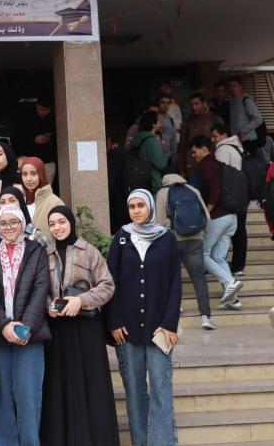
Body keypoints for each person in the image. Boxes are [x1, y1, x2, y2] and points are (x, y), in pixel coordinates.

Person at [105, 189, 181, 446]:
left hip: (159, 329)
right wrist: (113, 321)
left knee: (160, 388)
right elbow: (110, 282)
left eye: (141, 206)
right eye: (132, 206)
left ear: (150, 207)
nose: (136, 211)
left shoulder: (166, 238)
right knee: (135, 392)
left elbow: (175, 284)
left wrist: (170, 324)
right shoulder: (122, 238)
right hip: (127, 330)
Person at [43, 205, 119, 446]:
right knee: (60, 385)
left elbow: (107, 286)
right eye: (53, 223)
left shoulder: (89, 252)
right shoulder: (45, 254)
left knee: (91, 384)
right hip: (59, 330)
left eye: (61, 222)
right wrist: (49, 305)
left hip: (86, 329)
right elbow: (40, 289)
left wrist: (81, 300)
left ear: (70, 222)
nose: (57, 227)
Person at [0, 206, 50, 446]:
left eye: (13, 222)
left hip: (30, 335)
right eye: (3, 223)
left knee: (28, 395)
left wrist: (24, 327)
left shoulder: (36, 251)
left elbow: (41, 289)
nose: (8, 228)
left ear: (23, 224)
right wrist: (4, 326)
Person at [155, 173, 215, 328]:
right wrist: (201, 234)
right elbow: (207, 218)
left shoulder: (162, 193)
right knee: (199, 278)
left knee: (172, 277)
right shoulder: (193, 190)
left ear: (164, 182)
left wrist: (173, 225)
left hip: (173, 240)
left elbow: (160, 222)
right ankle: (205, 317)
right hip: (196, 240)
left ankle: (177, 309)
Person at [190, 136, 244, 306]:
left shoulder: (208, 165)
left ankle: (230, 283)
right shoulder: (219, 164)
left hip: (219, 217)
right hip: (231, 217)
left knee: (202, 254)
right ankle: (233, 300)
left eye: (194, 151)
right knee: (219, 258)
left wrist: (207, 211)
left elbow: (215, 188)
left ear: (204, 149)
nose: (193, 155)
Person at [211, 123, 248, 280]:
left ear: (224, 135)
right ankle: (238, 266)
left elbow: (220, 174)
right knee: (240, 230)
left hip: (229, 196)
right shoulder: (238, 147)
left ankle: (219, 264)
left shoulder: (223, 149)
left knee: (224, 232)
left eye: (215, 136)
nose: (213, 140)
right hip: (241, 195)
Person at [12, 95, 57, 183]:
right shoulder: (25, 117)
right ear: (36, 105)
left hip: (46, 160)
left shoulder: (53, 119)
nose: (44, 112)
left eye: (47, 110)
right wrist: (33, 140)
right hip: (27, 157)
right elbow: (15, 139)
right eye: (41, 109)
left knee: (44, 190)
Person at [178, 92, 223, 177]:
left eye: (196, 104)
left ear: (203, 103)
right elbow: (182, 147)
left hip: (212, 166)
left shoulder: (214, 119)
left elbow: (223, 142)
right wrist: (181, 170)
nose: (194, 107)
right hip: (192, 168)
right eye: (191, 105)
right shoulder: (187, 123)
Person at [20, 157, 65, 241]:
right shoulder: (18, 201)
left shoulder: (55, 203)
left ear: (41, 175)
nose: (29, 179)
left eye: (33, 174)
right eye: (25, 174)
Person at [129, 111, 168, 193]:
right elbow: (161, 164)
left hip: (136, 182)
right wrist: (165, 152)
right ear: (154, 125)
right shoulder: (152, 141)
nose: (160, 123)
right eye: (158, 121)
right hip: (151, 184)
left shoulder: (135, 139)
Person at [228, 76, 264, 152]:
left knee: (250, 162)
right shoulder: (232, 104)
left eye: (234, 86)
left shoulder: (246, 101)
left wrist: (243, 131)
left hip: (248, 140)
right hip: (236, 141)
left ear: (240, 87)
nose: (231, 88)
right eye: (230, 86)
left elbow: (258, 119)